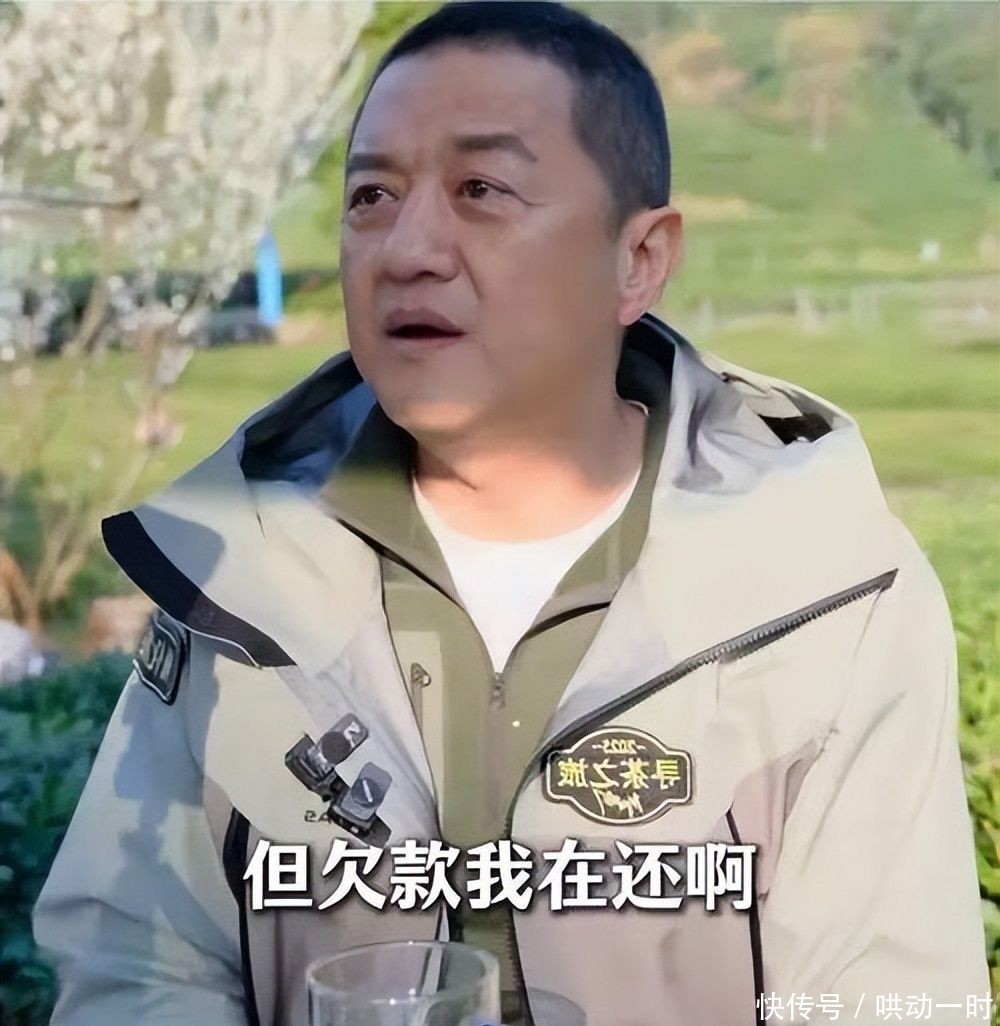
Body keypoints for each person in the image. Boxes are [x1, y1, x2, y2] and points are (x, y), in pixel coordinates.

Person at [34, 3, 989, 1025]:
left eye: (481, 190)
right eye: (371, 196)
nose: (408, 249)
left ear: (639, 260)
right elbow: (134, 967)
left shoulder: (829, 589)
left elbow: (889, 1000)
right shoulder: (236, 573)